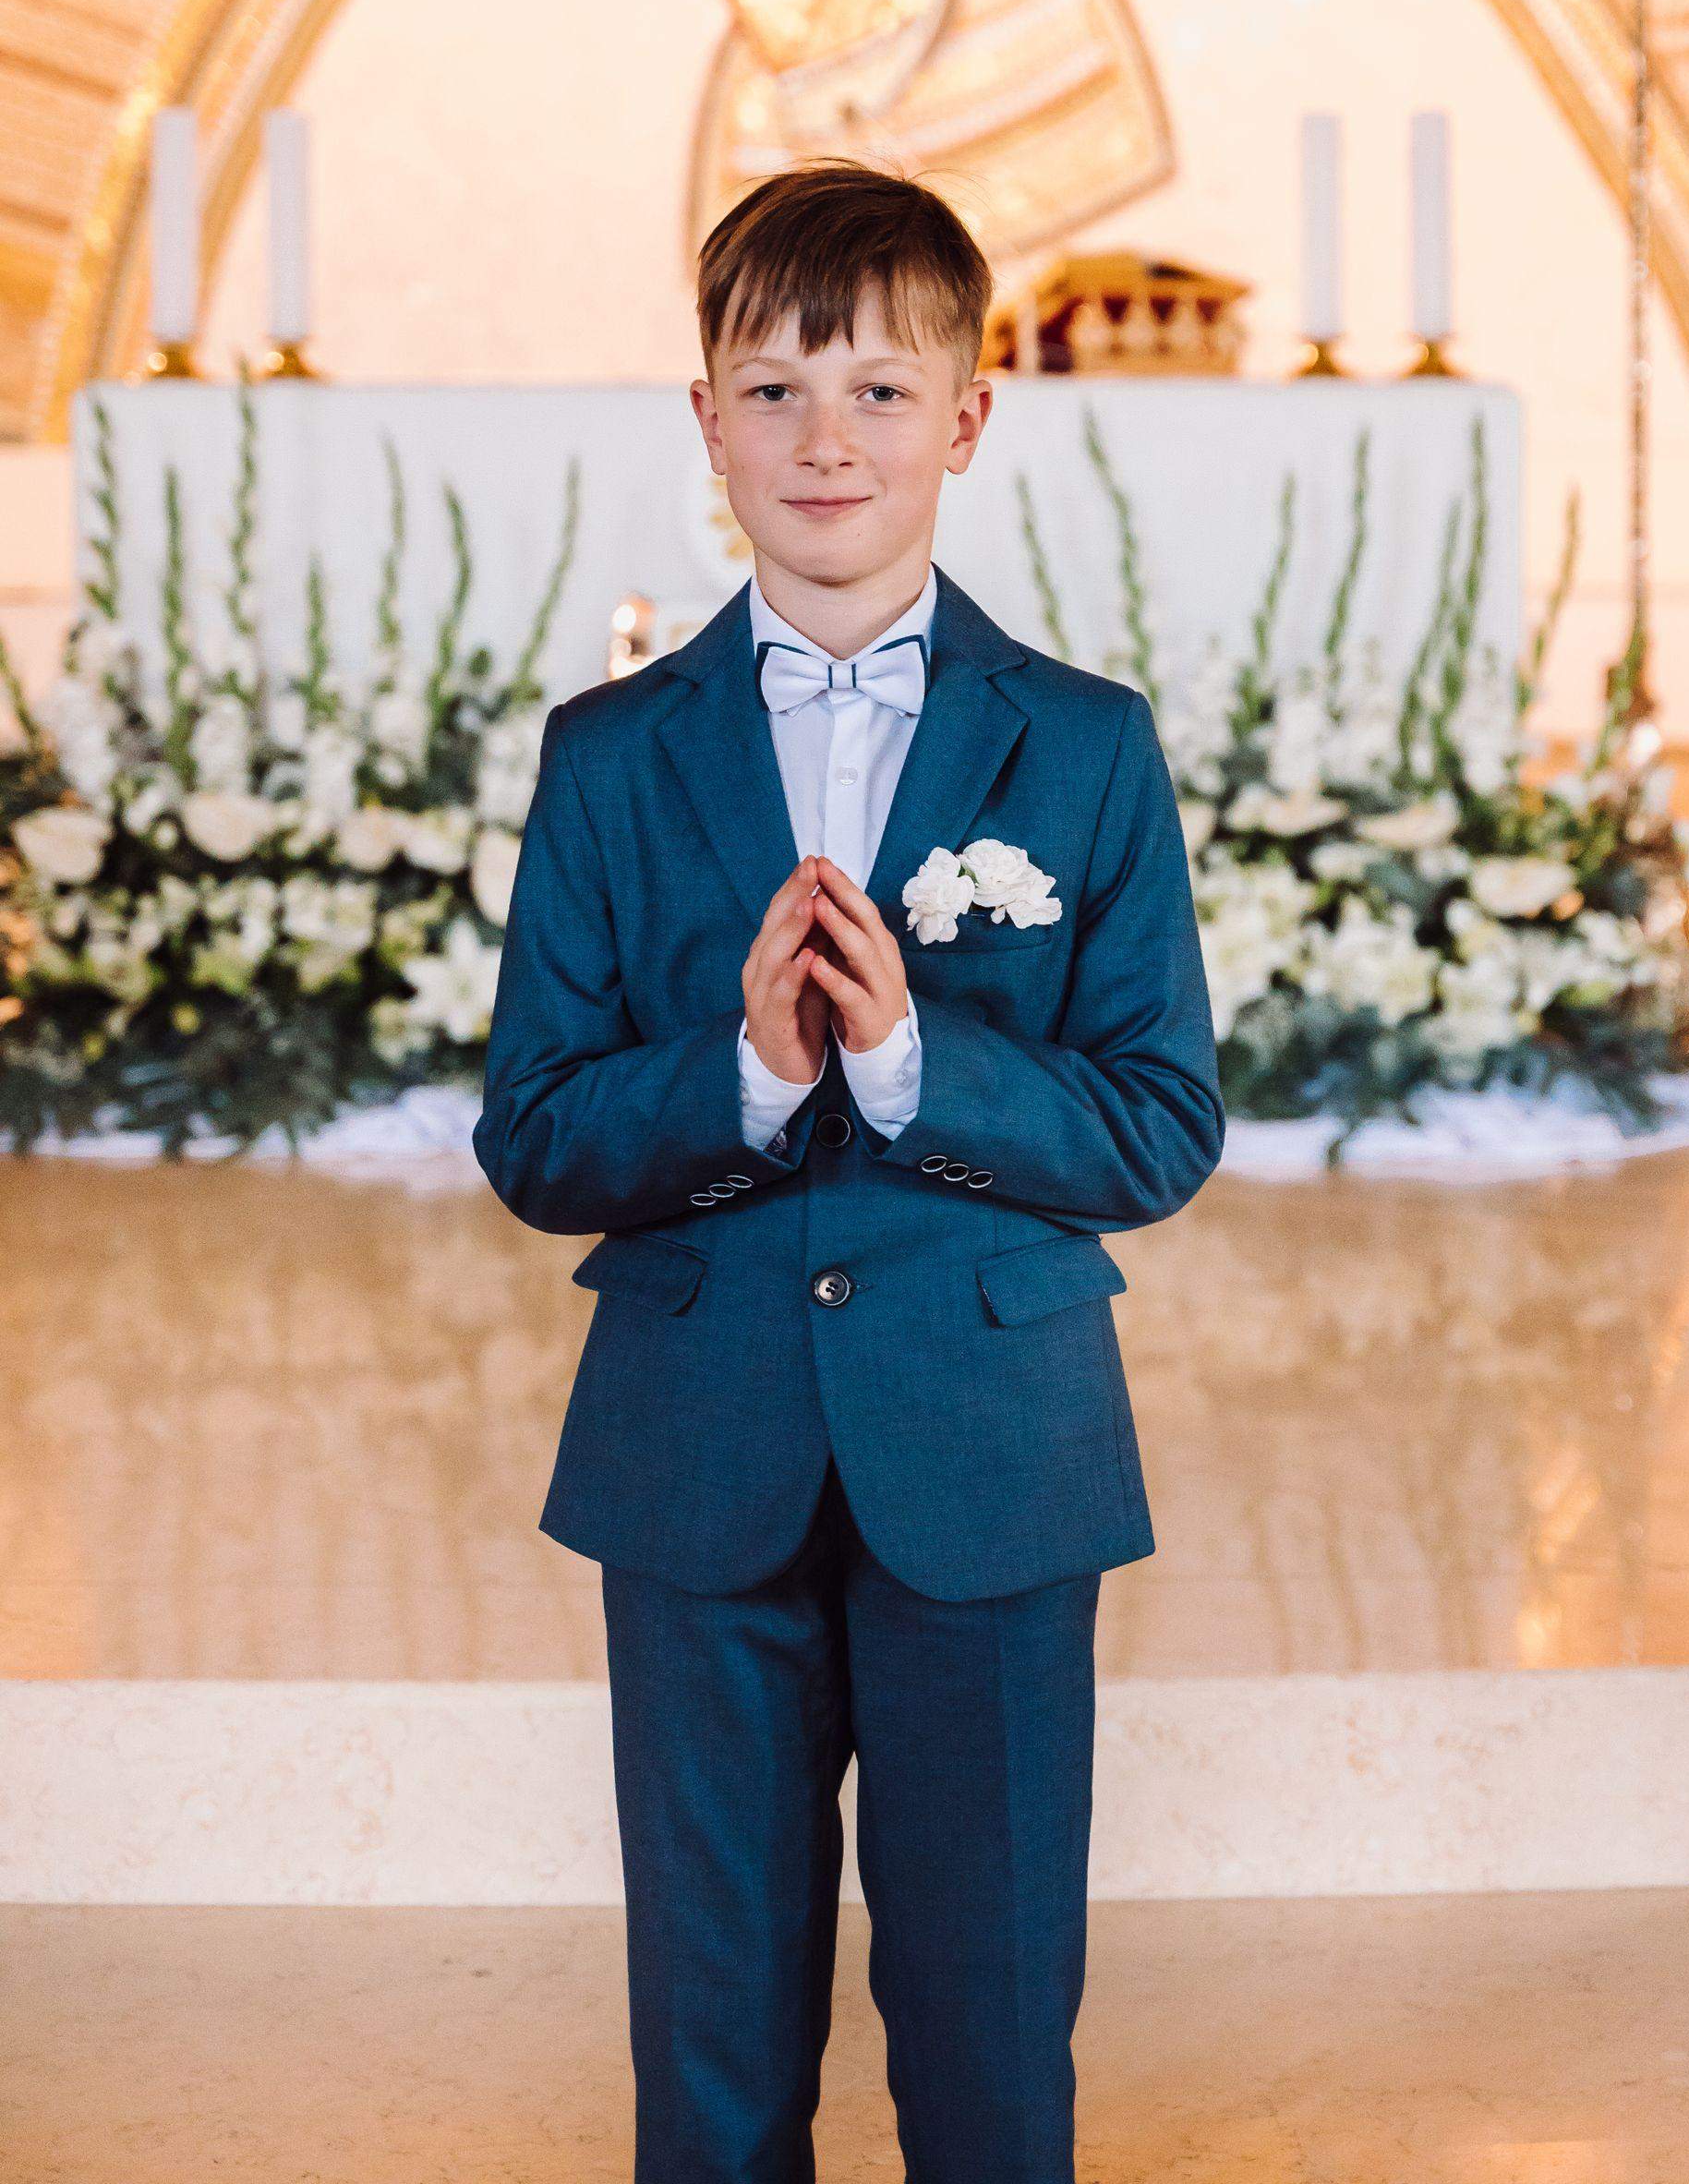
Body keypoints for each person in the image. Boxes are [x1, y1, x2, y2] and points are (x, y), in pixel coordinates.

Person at [474, 159, 1225, 2184]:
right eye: (776, 390)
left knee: (990, 2023)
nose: (828, 441)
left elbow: (1160, 1119)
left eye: (881, 391)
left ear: (966, 419)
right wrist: (742, 1072)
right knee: (713, 2027)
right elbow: (535, 1130)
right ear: (705, 420)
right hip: (694, 1440)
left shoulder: (1083, 744)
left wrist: (909, 1066)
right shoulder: (609, 752)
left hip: (992, 1440)